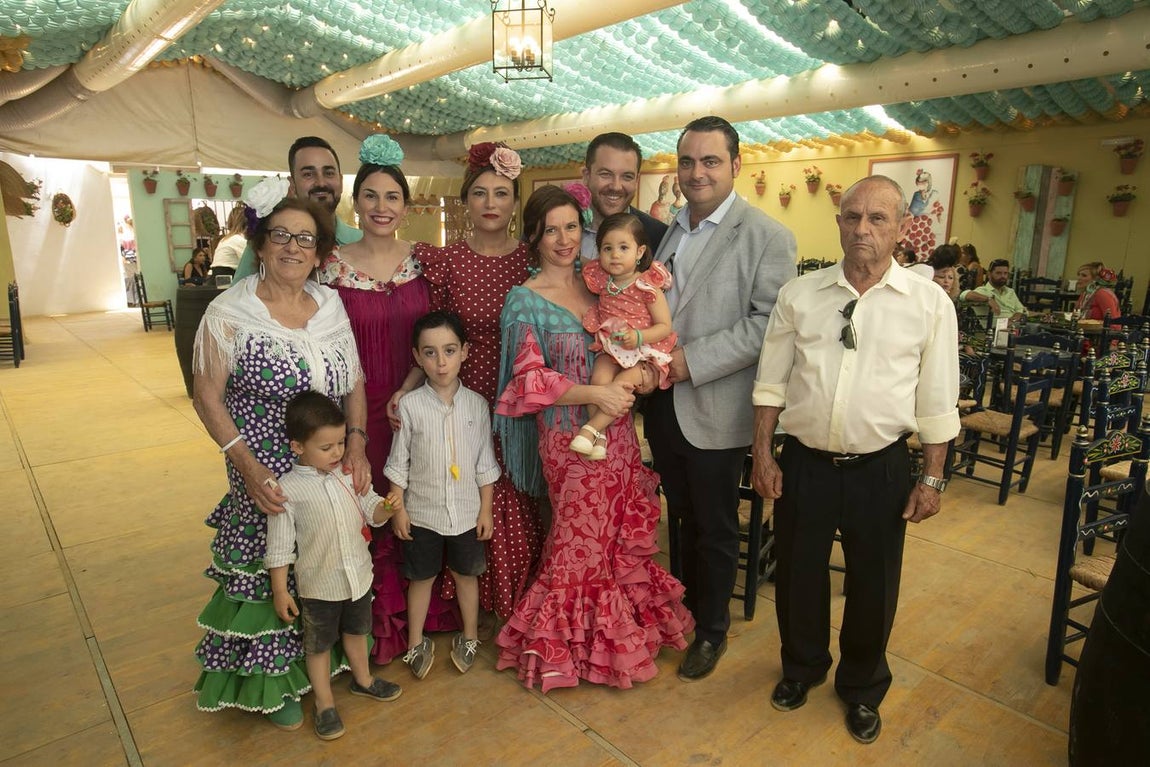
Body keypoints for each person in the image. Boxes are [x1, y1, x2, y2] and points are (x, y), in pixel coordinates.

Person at [751, 175, 960, 745]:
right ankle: (801, 668)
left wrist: (933, 478)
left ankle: (863, 688)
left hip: (882, 467)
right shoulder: (800, 294)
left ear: (899, 229)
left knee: (874, 583)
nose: (862, 229)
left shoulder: (929, 303)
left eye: (877, 219)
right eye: (852, 217)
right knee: (797, 574)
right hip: (805, 463)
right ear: (839, 222)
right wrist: (764, 455)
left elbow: (938, 401)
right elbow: (771, 384)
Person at [493, 185, 693, 691]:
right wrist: (594, 396)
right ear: (534, 235)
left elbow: (649, 339)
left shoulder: (603, 282)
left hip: (619, 435)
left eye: (570, 227)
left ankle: (611, 647)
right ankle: (564, 651)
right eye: (550, 229)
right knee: (576, 544)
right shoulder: (524, 300)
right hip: (567, 440)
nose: (563, 239)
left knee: (611, 542)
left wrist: (646, 377)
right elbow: (528, 381)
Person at [190, 178, 370, 730]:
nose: (294, 247)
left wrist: (357, 443)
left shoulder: (332, 305)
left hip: (324, 461)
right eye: (281, 236)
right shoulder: (231, 310)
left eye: (306, 239)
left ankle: (322, 668)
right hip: (262, 464)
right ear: (261, 244)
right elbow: (206, 395)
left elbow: (355, 382)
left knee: (319, 564)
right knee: (273, 569)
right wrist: (248, 467)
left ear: (319, 253)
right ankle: (272, 685)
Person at [645, 115, 796, 682]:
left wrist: (693, 362)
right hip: (663, 404)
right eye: (687, 161)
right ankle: (682, 612)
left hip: (715, 402)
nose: (697, 172)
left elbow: (767, 326)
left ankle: (711, 630)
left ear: (736, 165)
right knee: (677, 516)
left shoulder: (767, 236)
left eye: (710, 161)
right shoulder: (669, 230)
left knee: (714, 524)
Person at [317, 134, 455, 664]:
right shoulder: (329, 266)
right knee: (363, 506)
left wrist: (408, 388)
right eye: (370, 196)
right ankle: (369, 628)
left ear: (406, 204)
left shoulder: (426, 264)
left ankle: (422, 617)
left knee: (415, 502)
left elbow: (435, 337)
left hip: (413, 401)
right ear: (357, 202)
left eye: (392, 197)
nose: (381, 207)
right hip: (353, 410)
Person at [414, 141, 542, 626]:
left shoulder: (532, 260)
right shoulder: (447, 261)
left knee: (513, 485)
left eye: (502, 193)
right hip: (461, 388)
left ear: (514, 203)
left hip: (519, 389)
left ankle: (514, 590)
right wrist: (411, 387)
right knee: (464, 484)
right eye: (481, 193)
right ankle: (469, 596)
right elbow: (434, 331)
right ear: (466, 201)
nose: (491, 202)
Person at [266, 392, 402, 741]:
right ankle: (324, 703)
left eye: (341, 442)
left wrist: (386, 507)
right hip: (319, 586)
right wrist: (280, 590)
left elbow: (371, 509)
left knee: (357, 632)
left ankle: (363, 680)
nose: (338, 452)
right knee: (319, 645)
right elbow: (280, 546)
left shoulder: (348, 473)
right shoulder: (288, 490)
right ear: (298, 447)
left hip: (357, 577)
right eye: (326, 447)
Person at [385, 311, 501, 679]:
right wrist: (398, 509)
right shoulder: (410, 406)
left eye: (449, 350)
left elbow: (485, 462)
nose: (441, 361)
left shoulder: (477, 406)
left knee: (467, 575)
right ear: (417, 358)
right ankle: (415, 641)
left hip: (467, 514)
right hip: (422, 514)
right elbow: (397, 463)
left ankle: (469, 636)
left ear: (465, 352)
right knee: (421, 578)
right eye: (430, 353)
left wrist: (485, 511)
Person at [573, 212, 675, 459]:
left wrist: (639, 336)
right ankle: (601, 437)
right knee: (597, 381)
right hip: (613, 348)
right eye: (607, 248)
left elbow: (664, 326)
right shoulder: (604, 283)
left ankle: (590, 430)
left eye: (623, 247)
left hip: (642, 354)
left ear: (639, 252)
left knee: (621, 386)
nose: (615, 255)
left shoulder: (646, 286)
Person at [233, 136, 364, 279]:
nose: (320, 182)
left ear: (341, 180)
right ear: (292, 184)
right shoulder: (271, 242)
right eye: (308, 174)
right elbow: (236, 296)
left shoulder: (362, 242)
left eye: (329, 173)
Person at [580, 132, 668, 260]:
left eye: (627, 177)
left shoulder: (658, 237)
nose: (616, 186)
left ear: (636, 180)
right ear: (586, 176)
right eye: (606, 174)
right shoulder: (560, 228)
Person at [959, 258, 1025, 320]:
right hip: (993, 328)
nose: (1003, 276)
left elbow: (1020, 310)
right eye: (998, 273)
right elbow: (963, 295)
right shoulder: (983, 291)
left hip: (1014, 327)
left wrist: (1011, 322)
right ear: (989, 274)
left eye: (1005, 273)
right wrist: (988, 299)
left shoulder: (1010, 291)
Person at [904, 169, 944, 257]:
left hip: (930, 225)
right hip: (916, 225)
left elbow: (938, 211)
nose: (920, 185)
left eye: (922, 182)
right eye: (919, 182)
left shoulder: (935, 194)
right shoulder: (916, 195)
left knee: (928, 249)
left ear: (928, 182)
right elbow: (913, 210)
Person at [210, 204, 248, 277]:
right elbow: (249, 262)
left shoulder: (225, 239)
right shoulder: (238, 240)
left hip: (217, 275)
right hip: (228, 275)